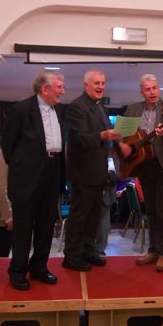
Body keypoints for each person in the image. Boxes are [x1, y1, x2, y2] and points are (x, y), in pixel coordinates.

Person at [1, 70, 66, 290]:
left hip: (52, 171)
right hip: (26, 177)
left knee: (46, 225)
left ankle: (39, 267)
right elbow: (7, 147)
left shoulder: (59, 110)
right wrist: (24, 167)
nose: (63, 91)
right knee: (23, 228)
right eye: (59, 87)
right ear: (45, 89)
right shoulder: (21, 110)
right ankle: (17, 271)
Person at [117, 74, 163, 272]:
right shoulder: (133, 109)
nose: (152, 92)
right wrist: (123, 146)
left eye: (154, 88)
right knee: (151, 209)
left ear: (159, 88)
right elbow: (121, 133)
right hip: (142, 165)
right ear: (142, 92)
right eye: (147, 89)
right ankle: (153, 250)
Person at [63, 69, 122, 272]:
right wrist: (103, 135)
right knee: (80, 217)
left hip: (98, 172)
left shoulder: (100, 106)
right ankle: (72, 256)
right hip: (83, 172)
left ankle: (88, 251)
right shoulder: (77, 106)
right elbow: (80, 138)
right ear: (86, 85)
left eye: (103, 83)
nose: (100, 87)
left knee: (94, 217)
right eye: (96, 83)